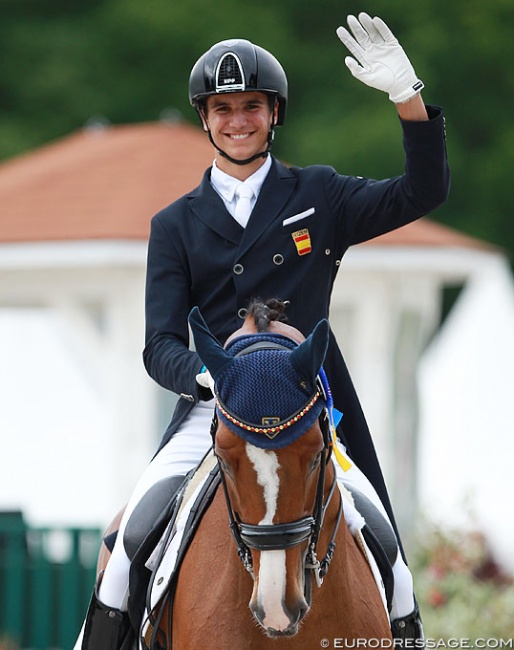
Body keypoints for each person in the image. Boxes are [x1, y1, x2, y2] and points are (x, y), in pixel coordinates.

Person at [76, 11, 450, 648]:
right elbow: (158, 343)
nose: (238, 120)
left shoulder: (320, 195)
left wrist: (406, 98)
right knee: (130, 540)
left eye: (252, 106)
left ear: (274, 114)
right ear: (205, 118)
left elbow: (423, 190)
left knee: (387, 549)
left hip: (307, 411)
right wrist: (201, 374)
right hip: (215, 412)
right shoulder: (175, 224)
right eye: (223, 108)